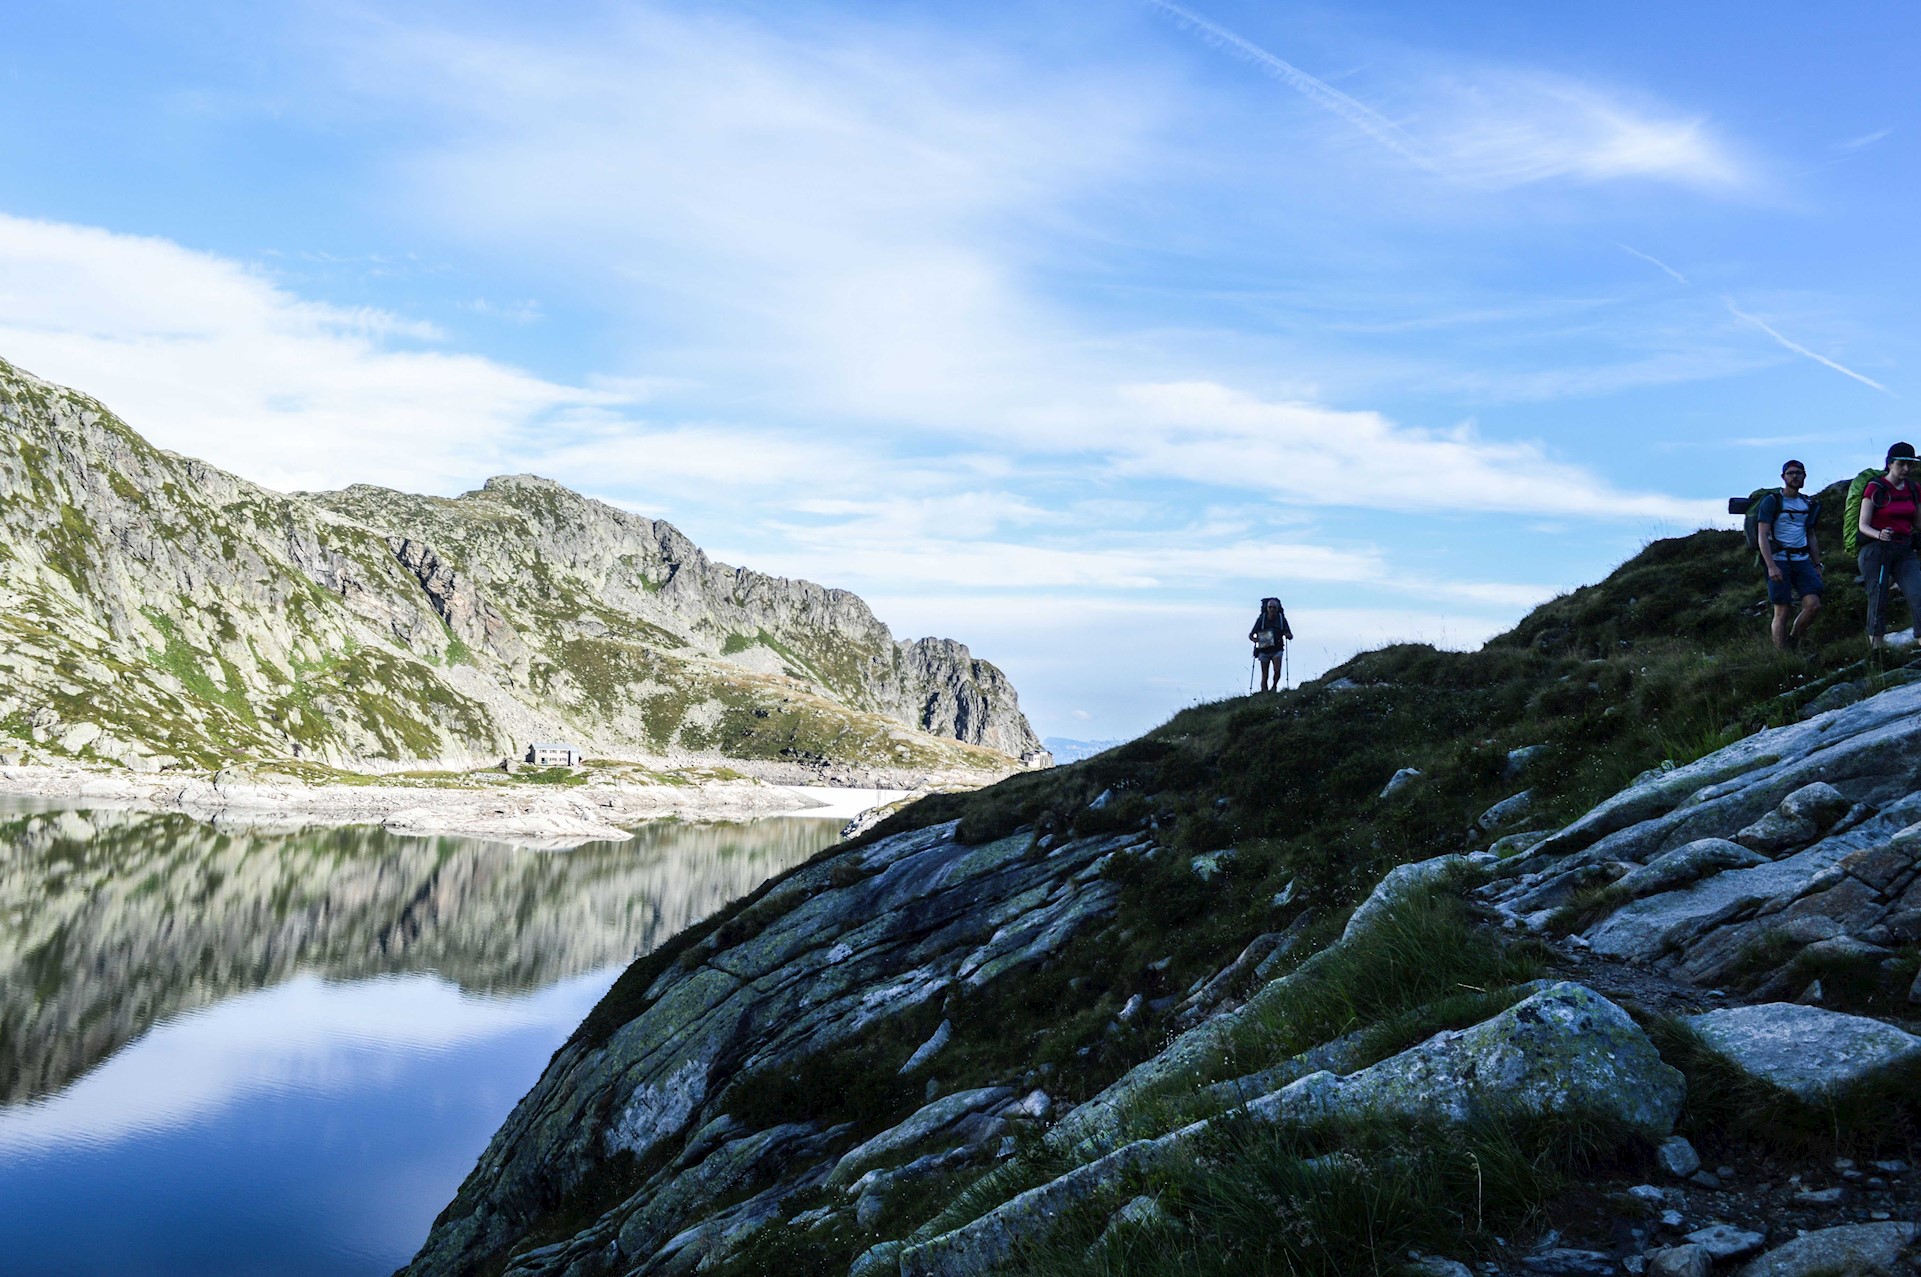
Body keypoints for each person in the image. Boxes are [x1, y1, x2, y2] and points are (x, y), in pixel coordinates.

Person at [1753, 459, 1823, 649]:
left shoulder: (1807, 503)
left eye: (1798, 473)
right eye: (1791, 473)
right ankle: (1782, 657)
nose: (1795, 476)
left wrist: (1817, 564)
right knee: (1782, 610)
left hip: (1802, 560)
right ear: (1783, 477)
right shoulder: (1772, 501)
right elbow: (1763, 534)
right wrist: (1771, 566)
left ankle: (1793, 641)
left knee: (1813, 605)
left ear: (1804, 476)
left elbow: (1811, 535)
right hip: (1779, 560)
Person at [1857, 442, 1921, 649]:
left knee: (1917, 592)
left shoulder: (1914, 489)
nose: (1906, 469)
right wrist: (1879, 534)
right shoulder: (1876, 488)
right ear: (1890, 463)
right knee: (1878, 595)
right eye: (1901, 464)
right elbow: (1863, 524)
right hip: (1876, 549)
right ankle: (1876, 648)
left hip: (1904, 549)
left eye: (1909, 465)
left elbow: (1917, 523)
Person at [1249, 597, 1292, 692]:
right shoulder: (1261, 619)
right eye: (1270, 607)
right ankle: (1264, 691)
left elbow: (1290, 634)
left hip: (1277, 649)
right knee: (1265, 674)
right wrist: (1255, 639)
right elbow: (1251, 634)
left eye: (1274, 607)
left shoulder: (1281, 619)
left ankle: (1273, 687)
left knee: (1277, 671)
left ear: (1277, 608)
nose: (1272, 609)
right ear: (1267, 608)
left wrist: (1287, 635)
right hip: (1264, 650)